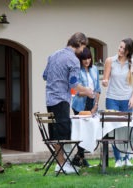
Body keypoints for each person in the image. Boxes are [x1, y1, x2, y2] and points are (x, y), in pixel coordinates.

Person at [43, 32, 94, 174]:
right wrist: (87, 91)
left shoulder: (53, 55)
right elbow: (73, 84)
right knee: (63, 134)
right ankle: (62, 165)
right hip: (61, 99)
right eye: (83, 46)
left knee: (55, 133)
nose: (83, 49)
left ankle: (62, 163)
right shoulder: (73, 60)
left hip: (50, 99)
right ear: (79, 43)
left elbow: (45, 76)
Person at [102, 38, 133, 167]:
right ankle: (118, 160)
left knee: (125, 129)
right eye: (120, 47)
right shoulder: (109, 61)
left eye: (124, 48)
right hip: (112, 99)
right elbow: (105, 79)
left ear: (129, 51)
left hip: (126, 100)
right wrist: (105, 82)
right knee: (114, 129)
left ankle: (126, 158)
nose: (121, 50)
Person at [71, 47, 101, 167]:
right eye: (84, 59)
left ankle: (78, 157)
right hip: (79, 104)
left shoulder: (94, 70)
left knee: (90, 130)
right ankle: (81, 157)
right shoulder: (77, 70)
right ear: (80, 59)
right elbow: (76, 91)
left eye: (88, 58)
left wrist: (96, 105)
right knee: (82, 131)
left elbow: (98, 89)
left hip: (92, 102)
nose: (87, 61)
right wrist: (87, 92)